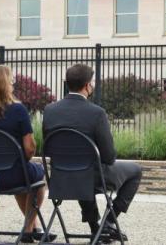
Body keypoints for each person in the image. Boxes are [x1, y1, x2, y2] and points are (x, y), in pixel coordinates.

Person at [42, 64, 142, 244]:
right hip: (89, 177)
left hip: (60, 176)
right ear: (87, 86)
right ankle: (109, 221)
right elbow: (109, 157)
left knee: (81, 166)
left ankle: (95, 226)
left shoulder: (50, 110)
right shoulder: (96, 113)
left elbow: (48, 149)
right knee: (135, 170)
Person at [0, 65, 55, 243]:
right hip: (14, 173)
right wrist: (20, 160)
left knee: (24, 172)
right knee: (36, 179)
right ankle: (28, 228)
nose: (13, 85)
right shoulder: (18, 110)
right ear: (5, 85)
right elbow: (30, 148)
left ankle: (34, 227)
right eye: (11, 82)